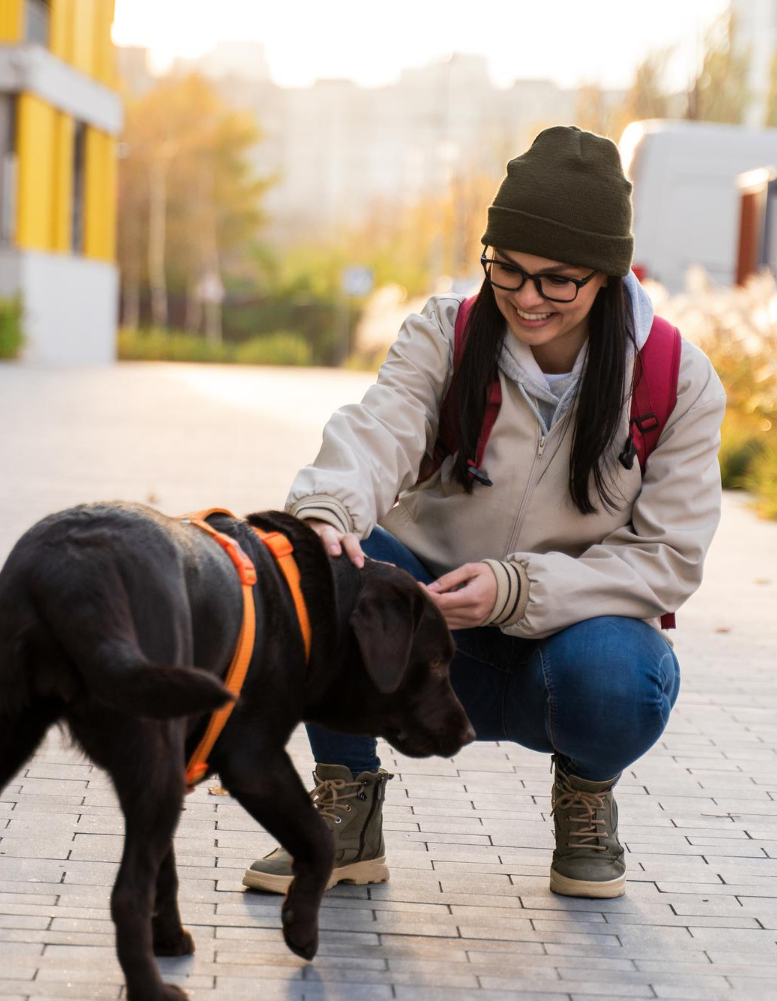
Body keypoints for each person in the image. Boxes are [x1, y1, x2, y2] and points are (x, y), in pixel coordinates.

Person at [243, 125, 726, 899]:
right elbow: (378, 431)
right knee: (322, 578)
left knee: (623, 680)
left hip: (565, 647)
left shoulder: (677, 380)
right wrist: (324, 516)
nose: (527, 298)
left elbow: (668, 560)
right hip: (424, 624)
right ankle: (345, 810)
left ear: (608, 275)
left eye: (557, 280)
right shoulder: (448, 331)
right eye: (507, 268)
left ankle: (586, 794)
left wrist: (514, 588)